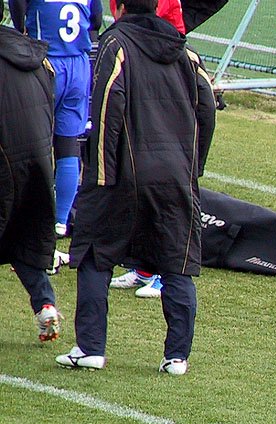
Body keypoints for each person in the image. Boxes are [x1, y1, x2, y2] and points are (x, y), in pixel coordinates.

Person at [56, 0, 216, 374]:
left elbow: (107, 109)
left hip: (122, 175)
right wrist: (193, 167)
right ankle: (177, 356)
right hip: (176, 177)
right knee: (177, 263)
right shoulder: (186, 52)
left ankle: (90, 348)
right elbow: (207, 109)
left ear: (120, 8)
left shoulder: (116, 45)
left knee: (94, 256)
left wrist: (100, 174)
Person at [104, 0, 186, 299]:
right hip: (140, 52)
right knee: (140, 183)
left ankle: (166, 273)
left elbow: (153, 19)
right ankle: (145, 268)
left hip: (160, 57)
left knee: (161, 187)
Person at [9, 0, 104, 237]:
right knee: (68, 144)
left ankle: (28, 214)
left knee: (34, 142)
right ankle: (60, 220)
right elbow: (96, 19)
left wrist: (23, 28)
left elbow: (17, 7)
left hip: (45, 61)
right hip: (78, 64)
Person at [0, 7, 65, 342]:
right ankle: (45, 304)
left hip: (5, 160)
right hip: (38, 157)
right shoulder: (31, 54)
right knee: (23, 235)